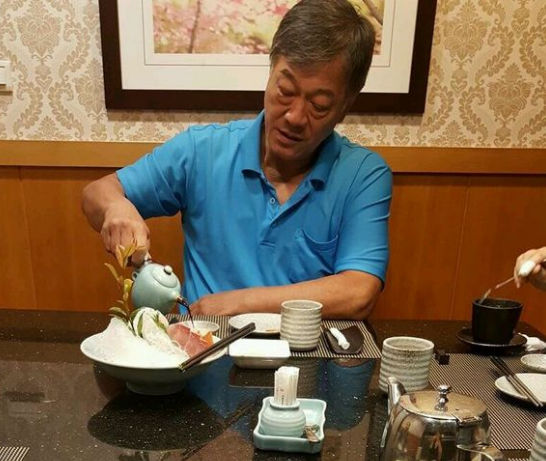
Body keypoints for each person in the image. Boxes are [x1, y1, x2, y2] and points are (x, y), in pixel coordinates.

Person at [82, 0, 392, 320]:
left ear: (345, 107)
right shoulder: (202, 150)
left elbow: (359, 292)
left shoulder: (363, 175)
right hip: (208, 344)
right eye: (286, 90)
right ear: (270, 73)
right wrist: (115, 207)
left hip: (307, 347)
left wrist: (240, 303)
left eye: (320, 105)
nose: (295, 117)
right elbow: (96, 193)